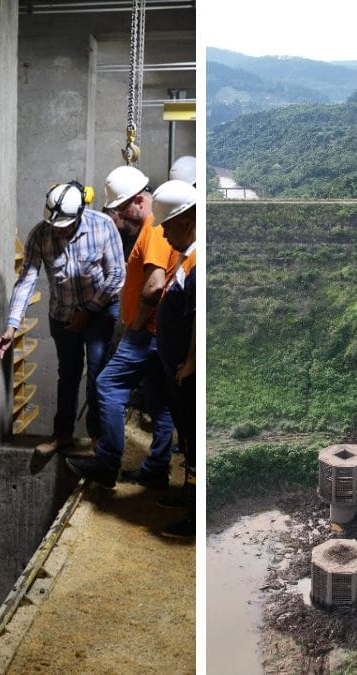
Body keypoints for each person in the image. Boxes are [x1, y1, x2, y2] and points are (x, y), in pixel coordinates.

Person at [66, 166, 177, 489]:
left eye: (121, 208)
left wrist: (136, 327)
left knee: (107, 386)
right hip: (159, 332)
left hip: (147, 332)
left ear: (140, 200)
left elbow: (155, 285)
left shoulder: (155, 227)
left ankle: (107, 461)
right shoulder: (153, 225)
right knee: (159, 400)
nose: (118, 216)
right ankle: (156, 468)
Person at [0, 182, 124, 456]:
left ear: (79, 213)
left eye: (64, 224)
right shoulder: (40, 234)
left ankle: (97, 439)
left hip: (99, 311)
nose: (58, 228)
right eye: (54, 223)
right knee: (68, 374)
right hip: (62, 315)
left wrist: (87, 312)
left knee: (97, 373)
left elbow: (116, 275)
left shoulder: (103, 226)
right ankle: (62, 434)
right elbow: (26, 280)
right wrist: (11, 325)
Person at [150, 179, 196, 538]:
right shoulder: (188, 255)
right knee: (186, 438)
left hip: (187, 371)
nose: (163, 234)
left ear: (186, 220)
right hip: (178, 368)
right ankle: (188, 498)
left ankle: (194, 516)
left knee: (192, 441)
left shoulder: (197, 259)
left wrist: (191, 362)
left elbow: (198, 315)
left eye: (166, 225)